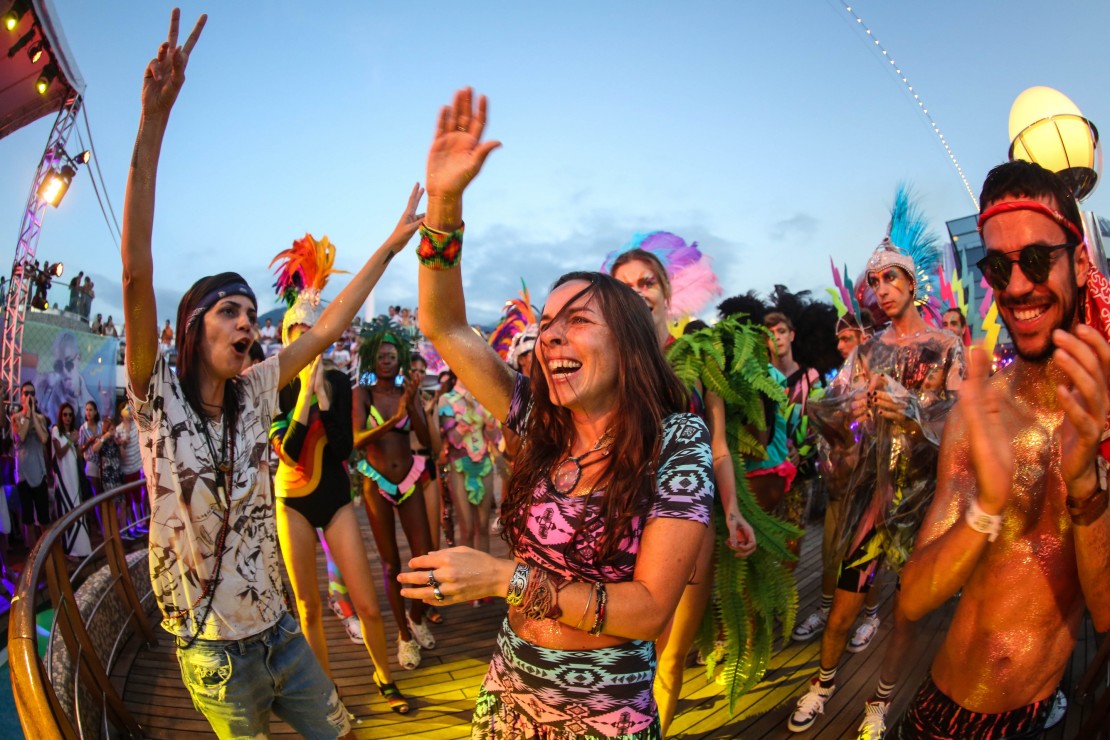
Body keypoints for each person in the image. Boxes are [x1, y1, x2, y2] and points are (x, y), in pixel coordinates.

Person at [120, 11, 422, 737]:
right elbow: (134, 273)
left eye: (251, 313)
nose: (246, 324)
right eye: (229, 311)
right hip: (214, 652)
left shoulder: (255, 391)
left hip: (282, 634)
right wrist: (153, 123)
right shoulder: (155, 393)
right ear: (193, 326)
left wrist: (389, 244)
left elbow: (324, 327)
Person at [398, 87, 714, 738]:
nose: (551, 338)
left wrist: (499, 577)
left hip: (600, 713)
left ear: (627, 343)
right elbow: (445, 323)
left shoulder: (675, 440)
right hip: (510, 680)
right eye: (546, 326)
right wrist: (447, 203)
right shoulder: (536, 420)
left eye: (576, 321)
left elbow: (651, 607)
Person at [890, 160, 1110, 738]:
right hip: (947, 709)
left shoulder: (1102, 412)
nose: (1015, 286)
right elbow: (913, 600)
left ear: (1081, 262)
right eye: (998, 266)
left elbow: (1107, 610)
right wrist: (986, 507)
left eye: (1036, 259)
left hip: (1038, 712)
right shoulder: (980, 412)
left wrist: (1085, 481)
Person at [793, 231, 965, 737]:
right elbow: (832, 413)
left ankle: (880, 700)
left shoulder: (946, 345)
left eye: (891, 277)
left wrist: (913, 408)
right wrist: (846, 409)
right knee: (845, 602)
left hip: (925, 496)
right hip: (873, 495)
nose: (881, 288)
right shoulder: (866, 351)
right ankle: (823, 685)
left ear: (912, 282)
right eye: (874, 281)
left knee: (906, 611)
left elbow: (962, 424)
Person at [611, 242, 786, 733]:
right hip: (623, 531)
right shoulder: (606, 364)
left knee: (669, 659)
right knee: (627, 657)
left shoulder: (699, 357)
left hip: (691, 528)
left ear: (667, 294)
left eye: (647, 282)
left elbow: (719, 446)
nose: (639, 292)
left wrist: (731, 509)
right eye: (625, 286)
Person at [270, 234, 410, 714]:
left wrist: (325, 396)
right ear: (288, 338)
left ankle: (385, 677)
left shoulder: (338, 379)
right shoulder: (274, 387)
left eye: (316, 331)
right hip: (291, 501)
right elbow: (288, 452)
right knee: (308, 609)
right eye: (299, 332)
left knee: (367, 602)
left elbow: (346, 447)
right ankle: (327, 699)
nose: (308, 339)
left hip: (334, 498)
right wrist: (305, 398)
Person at [794, 310, 885, 651]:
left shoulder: (883, 377)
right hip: (839, 485)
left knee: (867, 557)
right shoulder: (841, 381)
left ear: (865, 338)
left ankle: (870, 616)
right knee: (832, 550)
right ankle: (825, 609)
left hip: (874, 486)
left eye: (847, 337)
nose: (839, 344)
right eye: (838, 338)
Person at [352, 326, 437, 670]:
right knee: (391, 565)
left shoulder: (407, 391)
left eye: (391, 356)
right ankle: (403, 636)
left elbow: (424, 438)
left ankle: (417, 616)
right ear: (372, 358)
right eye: (381, 356)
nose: (386, 360)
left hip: (411, 478)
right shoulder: (362, 393)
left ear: (399, 359)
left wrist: (411, 405)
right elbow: (358, 438)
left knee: (426, 558)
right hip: (377, 483)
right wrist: (393, 420)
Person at [437, 378, 499, 556]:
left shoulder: (484, 397)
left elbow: (495, 437)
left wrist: (489, 421)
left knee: (483, 526)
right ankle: (468, 578)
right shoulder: (446, 400)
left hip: (484, 464)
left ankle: (485, 576)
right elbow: (453, 440)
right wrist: (466, 419)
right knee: (467, 529)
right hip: (459, 467)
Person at [12, 381, 50, 549]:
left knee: (43, 518)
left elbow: (43, 439)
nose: (29, 396)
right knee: (28, 519)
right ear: (21, 397)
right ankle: (32, 555)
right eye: (26, 393)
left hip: (39, 473)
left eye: (32, 393)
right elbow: (21, 435)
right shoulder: (15, 418)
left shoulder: (41, 418)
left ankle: (46, 553)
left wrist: (33, 414)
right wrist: (27, 414)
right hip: (23, 474)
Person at [51, 403, 91, 557]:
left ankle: (82, 549)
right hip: (63, 479)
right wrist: (70, 441)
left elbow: (79, 457)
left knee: (77, 510)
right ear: (61, 416)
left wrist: (76, 443)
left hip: (75, 477)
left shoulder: (74, 433)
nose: (67, 417)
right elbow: (59, 453)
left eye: (70, 415)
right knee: (66, 512)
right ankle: (68, 551)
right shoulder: (56, 431)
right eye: (65, 415)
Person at [35, 330, 96, 424]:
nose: (64, 371)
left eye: (69, 364)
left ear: (78, 359)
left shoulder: (90, 403)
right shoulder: (47, 397)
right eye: (58, 366)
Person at [78, 401, 105, 497]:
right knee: (95, 493)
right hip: (91, 461)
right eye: (87, 410)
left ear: (95, 412)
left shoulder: (101, 425)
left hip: (103, 461)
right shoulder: (83, 428)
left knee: (104, 491)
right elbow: (80, 449)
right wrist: (89, 442)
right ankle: (98, 511)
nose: (88, 412)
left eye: (90, 410)